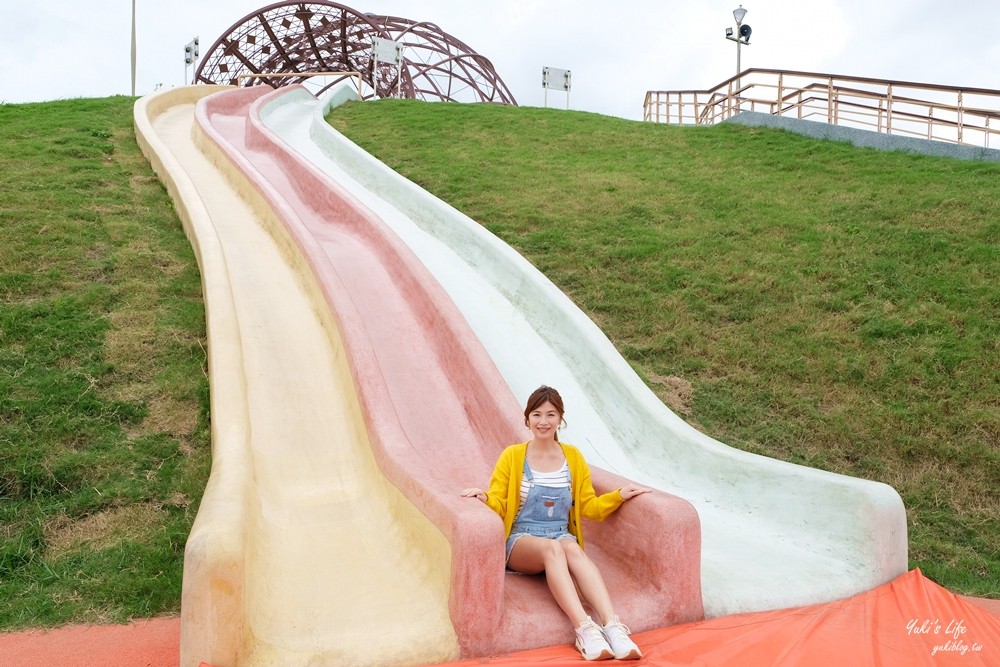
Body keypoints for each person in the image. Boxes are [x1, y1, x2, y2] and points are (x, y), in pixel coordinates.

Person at [461, 385, 651, 661]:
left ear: (560, 419)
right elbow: (501, 502)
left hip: (561, 535)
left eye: (551, 415)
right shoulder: (513, 456)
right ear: (527, 419)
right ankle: (585, 629)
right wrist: (484, 497)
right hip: (522, 540)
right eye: (536, 414)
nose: (543, 421)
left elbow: (589, 506)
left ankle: (613, 626)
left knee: (571, 549)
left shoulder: (572, 457)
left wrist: (619, 495)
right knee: (553, 550)